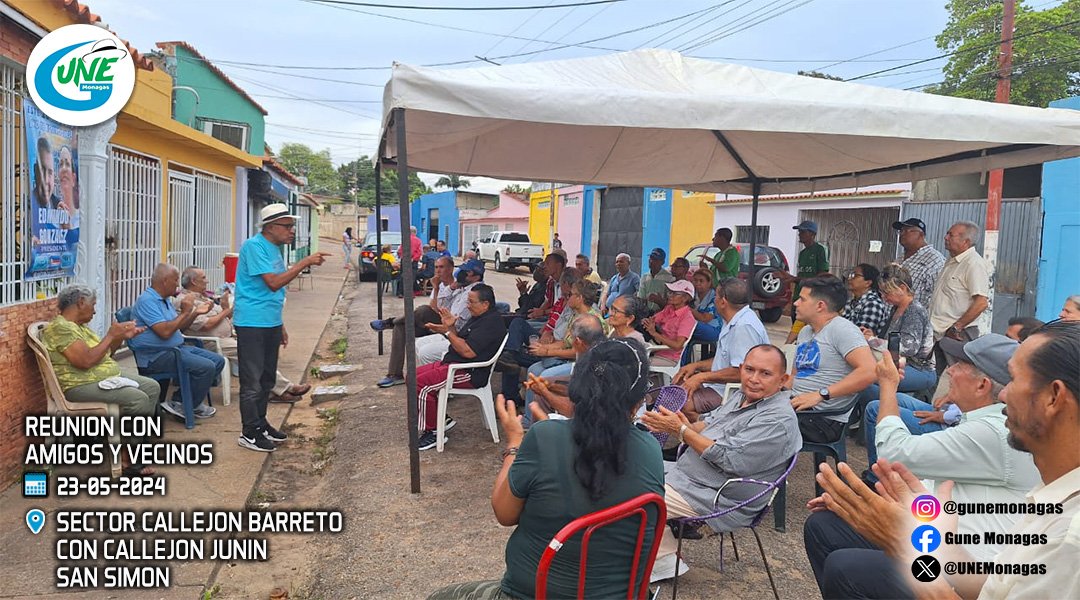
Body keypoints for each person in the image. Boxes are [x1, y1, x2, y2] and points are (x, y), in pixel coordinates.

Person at [805, 321, 1080, 600]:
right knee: (827, 530)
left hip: (958, 560)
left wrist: (911, 549)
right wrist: (937, 542)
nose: (1005, 394)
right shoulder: (1053, 494)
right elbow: (993, 587)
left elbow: (895, 452)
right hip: (959, 553)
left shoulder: (1070, 536)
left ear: (1053, 397)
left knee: (848, 568)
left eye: (1015, 379)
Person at [428, 338, 662, 599]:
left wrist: (515, 443)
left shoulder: (544, 436)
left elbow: (504, 513)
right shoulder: (650, 450)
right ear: (639, 400)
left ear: (579, 386)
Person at [643, 344, 802, 581]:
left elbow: (729, 459)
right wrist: (678, 422)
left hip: (715, 496)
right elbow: (707, 425)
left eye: (765, 373)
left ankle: (637, 561)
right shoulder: (742, 396)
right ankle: (662, 558)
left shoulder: (777, 420)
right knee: (620, 469)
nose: (754, 379)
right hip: (687, 477)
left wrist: (682, 431)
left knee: (626, 497)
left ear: (783, 379)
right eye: (749, 369)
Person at [234, 203, 330, 452]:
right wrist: (305, 262)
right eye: (287, 226)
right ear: (270, 227)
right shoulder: (254, 246)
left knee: (266, 379)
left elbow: (273, 292)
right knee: (252, 381)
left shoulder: (274, 249)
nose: (291, 232)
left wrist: (281, 324)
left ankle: (260, 423)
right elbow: (274, 283)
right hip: (252, 322)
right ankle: (249, 432)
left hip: (269, 321)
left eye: (292, 226)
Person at [42, 285, 159, 476]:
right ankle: (127, 459)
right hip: (78, 385)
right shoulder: (61, 328)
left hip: (102, 378)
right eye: (93, 305)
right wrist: (111, 334)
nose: (95, 310)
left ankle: (133, 448)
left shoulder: (80, 328)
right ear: (81, 303)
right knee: (138, 399)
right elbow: (85, 361)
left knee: (152, 387)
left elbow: (105, 355)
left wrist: (119, 338)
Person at [177, 266, 310, 402]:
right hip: (209, 341)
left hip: (226, 336)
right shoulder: (186, 300)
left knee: (259, 347)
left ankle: (270, 390)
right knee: (251, 354)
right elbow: (206, 325)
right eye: (203, 278)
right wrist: (225, 311)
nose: (207, 281)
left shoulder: (204, 297)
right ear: (193, 281)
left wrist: (226, 309)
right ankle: (286, 388)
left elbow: (222, 319)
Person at [414, 283, 507, 450]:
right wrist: (449, 326)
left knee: (421, 384)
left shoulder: (491, 323)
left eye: (471, 302)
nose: (467, 305)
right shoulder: (479, 317)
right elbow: (461, 342)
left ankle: (433, 432)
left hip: (469, 372)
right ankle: (440, 420)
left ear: (485, 304)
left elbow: (468, 352)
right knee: (412, 377)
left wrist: (447, 332)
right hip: (455, 364)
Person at [128, 263, 224, 422]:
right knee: (206, 367)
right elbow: (165, 332)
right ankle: (184, 404)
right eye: (175, 280)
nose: (178, 284)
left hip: (175, 349)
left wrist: (194, 314)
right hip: (155, 357)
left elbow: (180, 327)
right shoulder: (147, 301)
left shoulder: (164, 300)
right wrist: (185, 311)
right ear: (165, 281)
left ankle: (182, 402)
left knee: (218, 361)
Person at [790, 276, 876, 443]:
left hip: (823, 419)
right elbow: (794, 376)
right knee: (746, 409)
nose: (795, 303)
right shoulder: (805, 332)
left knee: (762, 422)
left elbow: (870, 371)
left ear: (820, 306)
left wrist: (821, 394)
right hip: (797, 406)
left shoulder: (842, 329)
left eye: (802, 299)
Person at [850, 265, 938, 429]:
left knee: (865, 380)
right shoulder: (896, 308)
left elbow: (908, 347)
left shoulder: (914, 311)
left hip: (919, 369)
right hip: (897, 363)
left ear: (903, 288)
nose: (884, 297)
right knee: (860, 374)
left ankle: (885, 417)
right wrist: (872, 334)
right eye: (882, 293)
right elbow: (889, 339)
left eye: (887, 292)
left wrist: (873, 340)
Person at [672, 278, 771, 416]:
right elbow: (724, 360)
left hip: (735, 392)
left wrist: (701, 377)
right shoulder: (732, 320)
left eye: (716, 297)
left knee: (682, 403)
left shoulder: (744, 327)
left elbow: (740, 372)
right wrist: (696, 366)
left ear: (723, 302)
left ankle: (707, 432)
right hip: (718, 386)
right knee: (676, 388)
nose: (714, 300)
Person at [372, 256, 458, 388]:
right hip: (433, 322)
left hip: (448, 325)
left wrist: (437, 289)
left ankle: (390, 321)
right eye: (436, 267)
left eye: (442, 267)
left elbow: (433, 311)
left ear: (451, 268)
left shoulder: (457, 285)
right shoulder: (439, 285)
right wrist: (436, 289)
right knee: (401, 327)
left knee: (422, 310)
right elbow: (434, 308)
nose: (438, 271)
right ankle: (395, 374)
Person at [522, 314, 608, 421]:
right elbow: (576, 390)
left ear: (578, 341)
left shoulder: (594, 365)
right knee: (543, 386)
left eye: (571, 339)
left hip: (592, 425)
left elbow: (573, 410)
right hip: (590, 412)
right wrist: (550, 385)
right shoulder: (598, 350)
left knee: (542, 395)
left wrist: (544, 391)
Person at [929, 221, 992, 348]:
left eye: (951, 235)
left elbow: (981, 303)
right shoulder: (952, 260)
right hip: (938, 333)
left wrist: (957, 327)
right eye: (947, 234)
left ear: (966, 242)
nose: (945, 238)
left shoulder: (973, 264)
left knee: (956, 368)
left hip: (958, 334)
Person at [415, 259, 487, 367]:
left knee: (425, 352)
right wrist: (451, 287)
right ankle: (429, 375)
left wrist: (440, 327)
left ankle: (436, 377)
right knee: (418, 343)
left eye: (466, 273)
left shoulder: (474, 293)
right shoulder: (462, 288)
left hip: (460, 335)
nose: (461, 274)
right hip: (449, 328)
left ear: (476, 276)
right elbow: (441, 305)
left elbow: (458, 323)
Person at [782, 221, 830, 344]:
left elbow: (822, 275)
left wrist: (795, 279)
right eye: (799, 231)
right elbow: (801, 276)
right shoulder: (802, 253)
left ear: (812, 234)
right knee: (796, 328)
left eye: (803, 232)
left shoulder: (820, 250)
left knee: (807, 332)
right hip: (799, 295)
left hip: (811, 297)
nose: (800, 234)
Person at [642, 280, 697, 368]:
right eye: (670, 293)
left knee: (638, 363)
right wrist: (646, 322)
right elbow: (653, 320)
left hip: (670, 357)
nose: (670, 296)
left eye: (675, 293)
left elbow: (677, 345)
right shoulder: (669, 308)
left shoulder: (687, 318)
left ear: (686, 298)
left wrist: (654, 333)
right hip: (657, 349)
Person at [892, 217, 945, 309]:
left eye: (906, 231)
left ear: (921, 234)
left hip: (915, 318)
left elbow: (938, 295)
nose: (902, 234)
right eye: (900, 231)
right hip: (894, 316)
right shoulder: (900, 258)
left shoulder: (934, 259)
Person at [841, 263, 889, 338]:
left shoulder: (873, 303)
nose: (849, 279)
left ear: (868, 283)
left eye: (855, 275)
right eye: (850, 275)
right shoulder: (852, 302)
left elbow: (859, 335)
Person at [686, 268, 721, 347]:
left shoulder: (715, 298)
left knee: (685, 327)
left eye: (701, 281)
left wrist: (688, 309)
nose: (697, 283)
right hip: (698, 328)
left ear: (709, 283)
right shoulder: (692, 295)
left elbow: (705, 318)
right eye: (695, 280)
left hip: (714, 330)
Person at [638, 247, 676, 313]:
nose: (651, 261)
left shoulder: (669, 278)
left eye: (655, 259)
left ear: (662, 262)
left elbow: (671, 304)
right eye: (651, 258)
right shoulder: (644, 277)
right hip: (647, 313)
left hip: (663, 314)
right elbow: (641, 298)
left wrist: (659, 301)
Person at [32, 136, 61, 209]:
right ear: (35, 171)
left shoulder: (59, 208)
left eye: (50, 172)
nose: (46, 180)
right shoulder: (27, 205)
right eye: (42, 170)